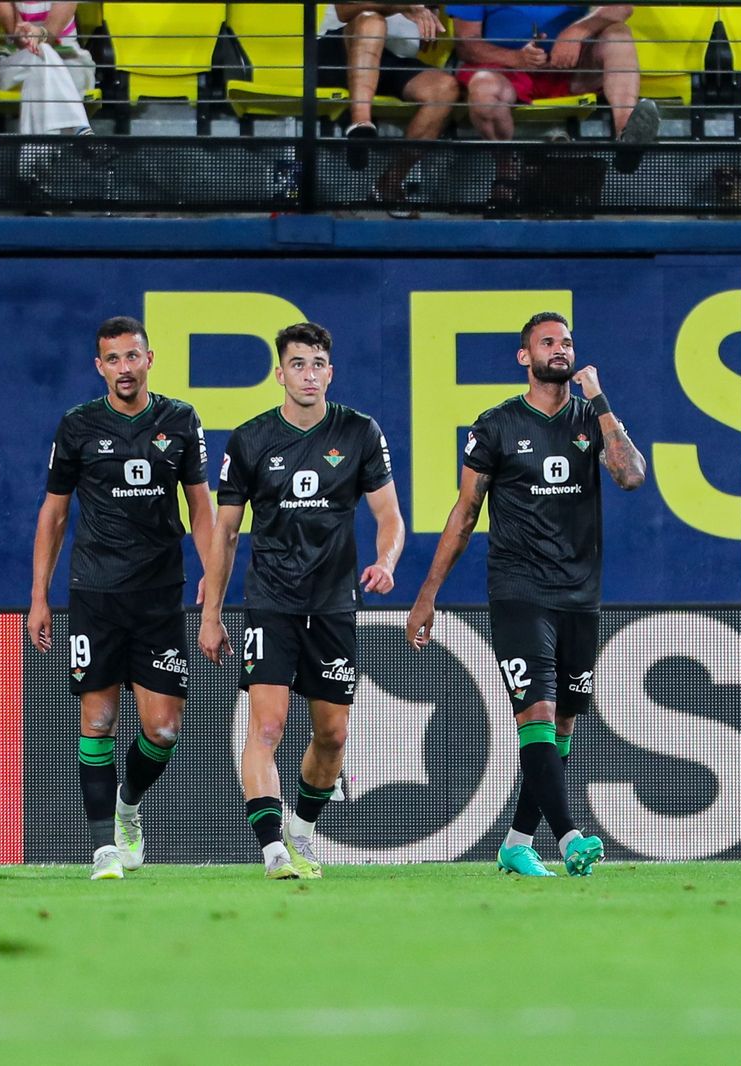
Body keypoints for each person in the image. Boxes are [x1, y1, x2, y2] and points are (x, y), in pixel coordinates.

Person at [404, 311, 646, 878]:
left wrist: (602, 399)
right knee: (534, 715)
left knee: (561, 727)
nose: (560, 349)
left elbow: (631, 475)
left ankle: (516, 841)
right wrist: (427, 595)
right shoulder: (495, 425)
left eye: (567, 341)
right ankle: (569, 839)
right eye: (547, 342)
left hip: (580, 596)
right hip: (518, 590)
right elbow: (465, 514)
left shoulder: (591, 416)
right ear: (524, 357)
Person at [199, 322, 404, 881]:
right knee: (266, 729)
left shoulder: (359, 432)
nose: (308, 374)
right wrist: (212, 614)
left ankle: (305, 830)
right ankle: (272, 850)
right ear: (279, 372)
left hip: (334, 603)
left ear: (329, 372)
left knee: (332, 734)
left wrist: (385, 563)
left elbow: (389, 516)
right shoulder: (249, 440)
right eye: (297, 364)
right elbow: (226, 534)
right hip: (271, 601)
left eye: (317, 364)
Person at [28, 316, 216, 881]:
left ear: (149, 359)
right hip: (95, 592)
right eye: (113, 360)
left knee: (163, 730)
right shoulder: (78, 425)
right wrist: (39, 597)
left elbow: (201, 507)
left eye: (132, 357)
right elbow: (54, 513)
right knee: (98, 718)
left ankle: (128, 807)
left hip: (160, 594)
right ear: (100, 367)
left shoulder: (180, 419)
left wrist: (214, 578)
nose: (124, 368)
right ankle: (102, 848)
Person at [452, 4, 658, 153]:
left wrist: (576, 31)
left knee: (618, 34)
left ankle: (627, 138)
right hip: (504, 72)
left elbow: (621, 7)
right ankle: (506, 172)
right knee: (484, 87)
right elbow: (465, 43)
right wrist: (515, 58)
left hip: (571, 68)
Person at [316, 4, 460, 172]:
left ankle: (389, 184)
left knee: (444, 89)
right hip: (339, 52)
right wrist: (402, 6)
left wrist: (429, 22)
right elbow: (344, 11)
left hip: (393, 60)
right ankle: (360, 127)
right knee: (371, 21)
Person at [0, 2, 94, 136]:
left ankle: (39, 150)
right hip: (18, 64)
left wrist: (39, 36)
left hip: (69, 62)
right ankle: (79, 127)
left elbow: (48, 36)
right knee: (39, 55)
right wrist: (23, 35)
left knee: (41, 55)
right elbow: (15, 33)